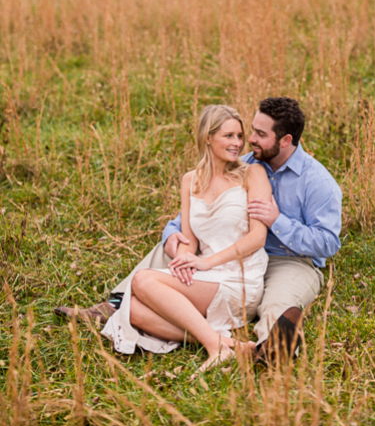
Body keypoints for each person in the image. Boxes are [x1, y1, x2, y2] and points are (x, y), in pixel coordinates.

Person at [57, 96, 342, 364]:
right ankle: (117, 305)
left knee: (277, 303)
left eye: (259, 134)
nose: (249, 140)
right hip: (229, 252)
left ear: (286, 140)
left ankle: (269, 347)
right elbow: (197, 215)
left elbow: (328, 243)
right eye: (250, 131)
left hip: (287, 258)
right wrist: (172, 237)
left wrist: (277, 220)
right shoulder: (244, 163)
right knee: (168, 249)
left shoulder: (317, 181)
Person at [101, 105, 269, 371]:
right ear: (207, 137)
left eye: (239, 135)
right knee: (130, 308)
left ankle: (215, 348)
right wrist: (183, 260)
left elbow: (258, 238)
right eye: (228, 136)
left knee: (142, 279)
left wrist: (206, 263)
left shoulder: (252, 174)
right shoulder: (190, 180)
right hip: (206, 274)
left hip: (240, 277)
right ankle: (224, 342)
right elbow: (190, 241)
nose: (237, 143)